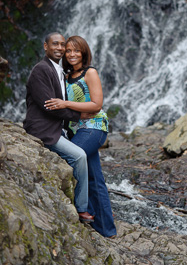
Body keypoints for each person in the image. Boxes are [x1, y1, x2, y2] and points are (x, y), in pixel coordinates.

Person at [44, 35, 117, 238]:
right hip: (76, 130)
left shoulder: (90, 72)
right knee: (94, 177)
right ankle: (106, 229)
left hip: (94, 128)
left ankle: (86, 212)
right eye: (68, 51)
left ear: (84, 52)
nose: (72, 54)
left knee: (71, 160)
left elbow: (96, 104)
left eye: (77, 50)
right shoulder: (66, 77)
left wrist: (65, 103)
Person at [23, 32, 94, 223]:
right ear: (46, 46)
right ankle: (81, 209)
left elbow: (61, 104)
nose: (60, 48)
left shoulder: (59, 71)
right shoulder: (41, 70)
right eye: (55, 44)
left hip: (57, 128)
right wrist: (79, 115)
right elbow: (50, 105)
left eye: (63, 45)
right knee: (80, 156)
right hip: (43, 130)